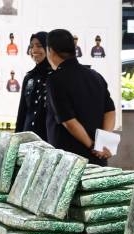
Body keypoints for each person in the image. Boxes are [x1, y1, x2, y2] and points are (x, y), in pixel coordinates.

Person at [45, 29, 115, 165]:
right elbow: (110, 112)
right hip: (98, 158)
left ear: (50, 51)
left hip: (70, 160)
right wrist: (102, 145)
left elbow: (68, 121)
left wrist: (91, 145)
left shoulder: (55, 80)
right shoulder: (95, 76)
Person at [16, 32, 52, 139]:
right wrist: (17, 138)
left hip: (48, 140)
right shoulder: (29, 77)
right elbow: (22, 111)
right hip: (27, 139)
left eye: (39, 46)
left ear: (48, 48)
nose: (34, 50)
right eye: (31, 47)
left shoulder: (55, 77)